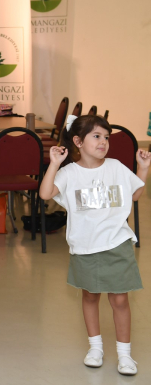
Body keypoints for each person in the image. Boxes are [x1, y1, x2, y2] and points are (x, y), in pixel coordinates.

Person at [39, 114, 150, 376]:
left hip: (117, 242)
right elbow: (45, 193)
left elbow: (134, 194)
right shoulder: (69, 173)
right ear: (78, 141)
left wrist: (143, 169)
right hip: (85, 245)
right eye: (97, 136)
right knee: (90, 296)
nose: (103, 142)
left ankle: (125, 355)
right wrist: (54, 164)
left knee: (120, 299)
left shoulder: (116, 167)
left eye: (106, 137)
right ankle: (95, 348)